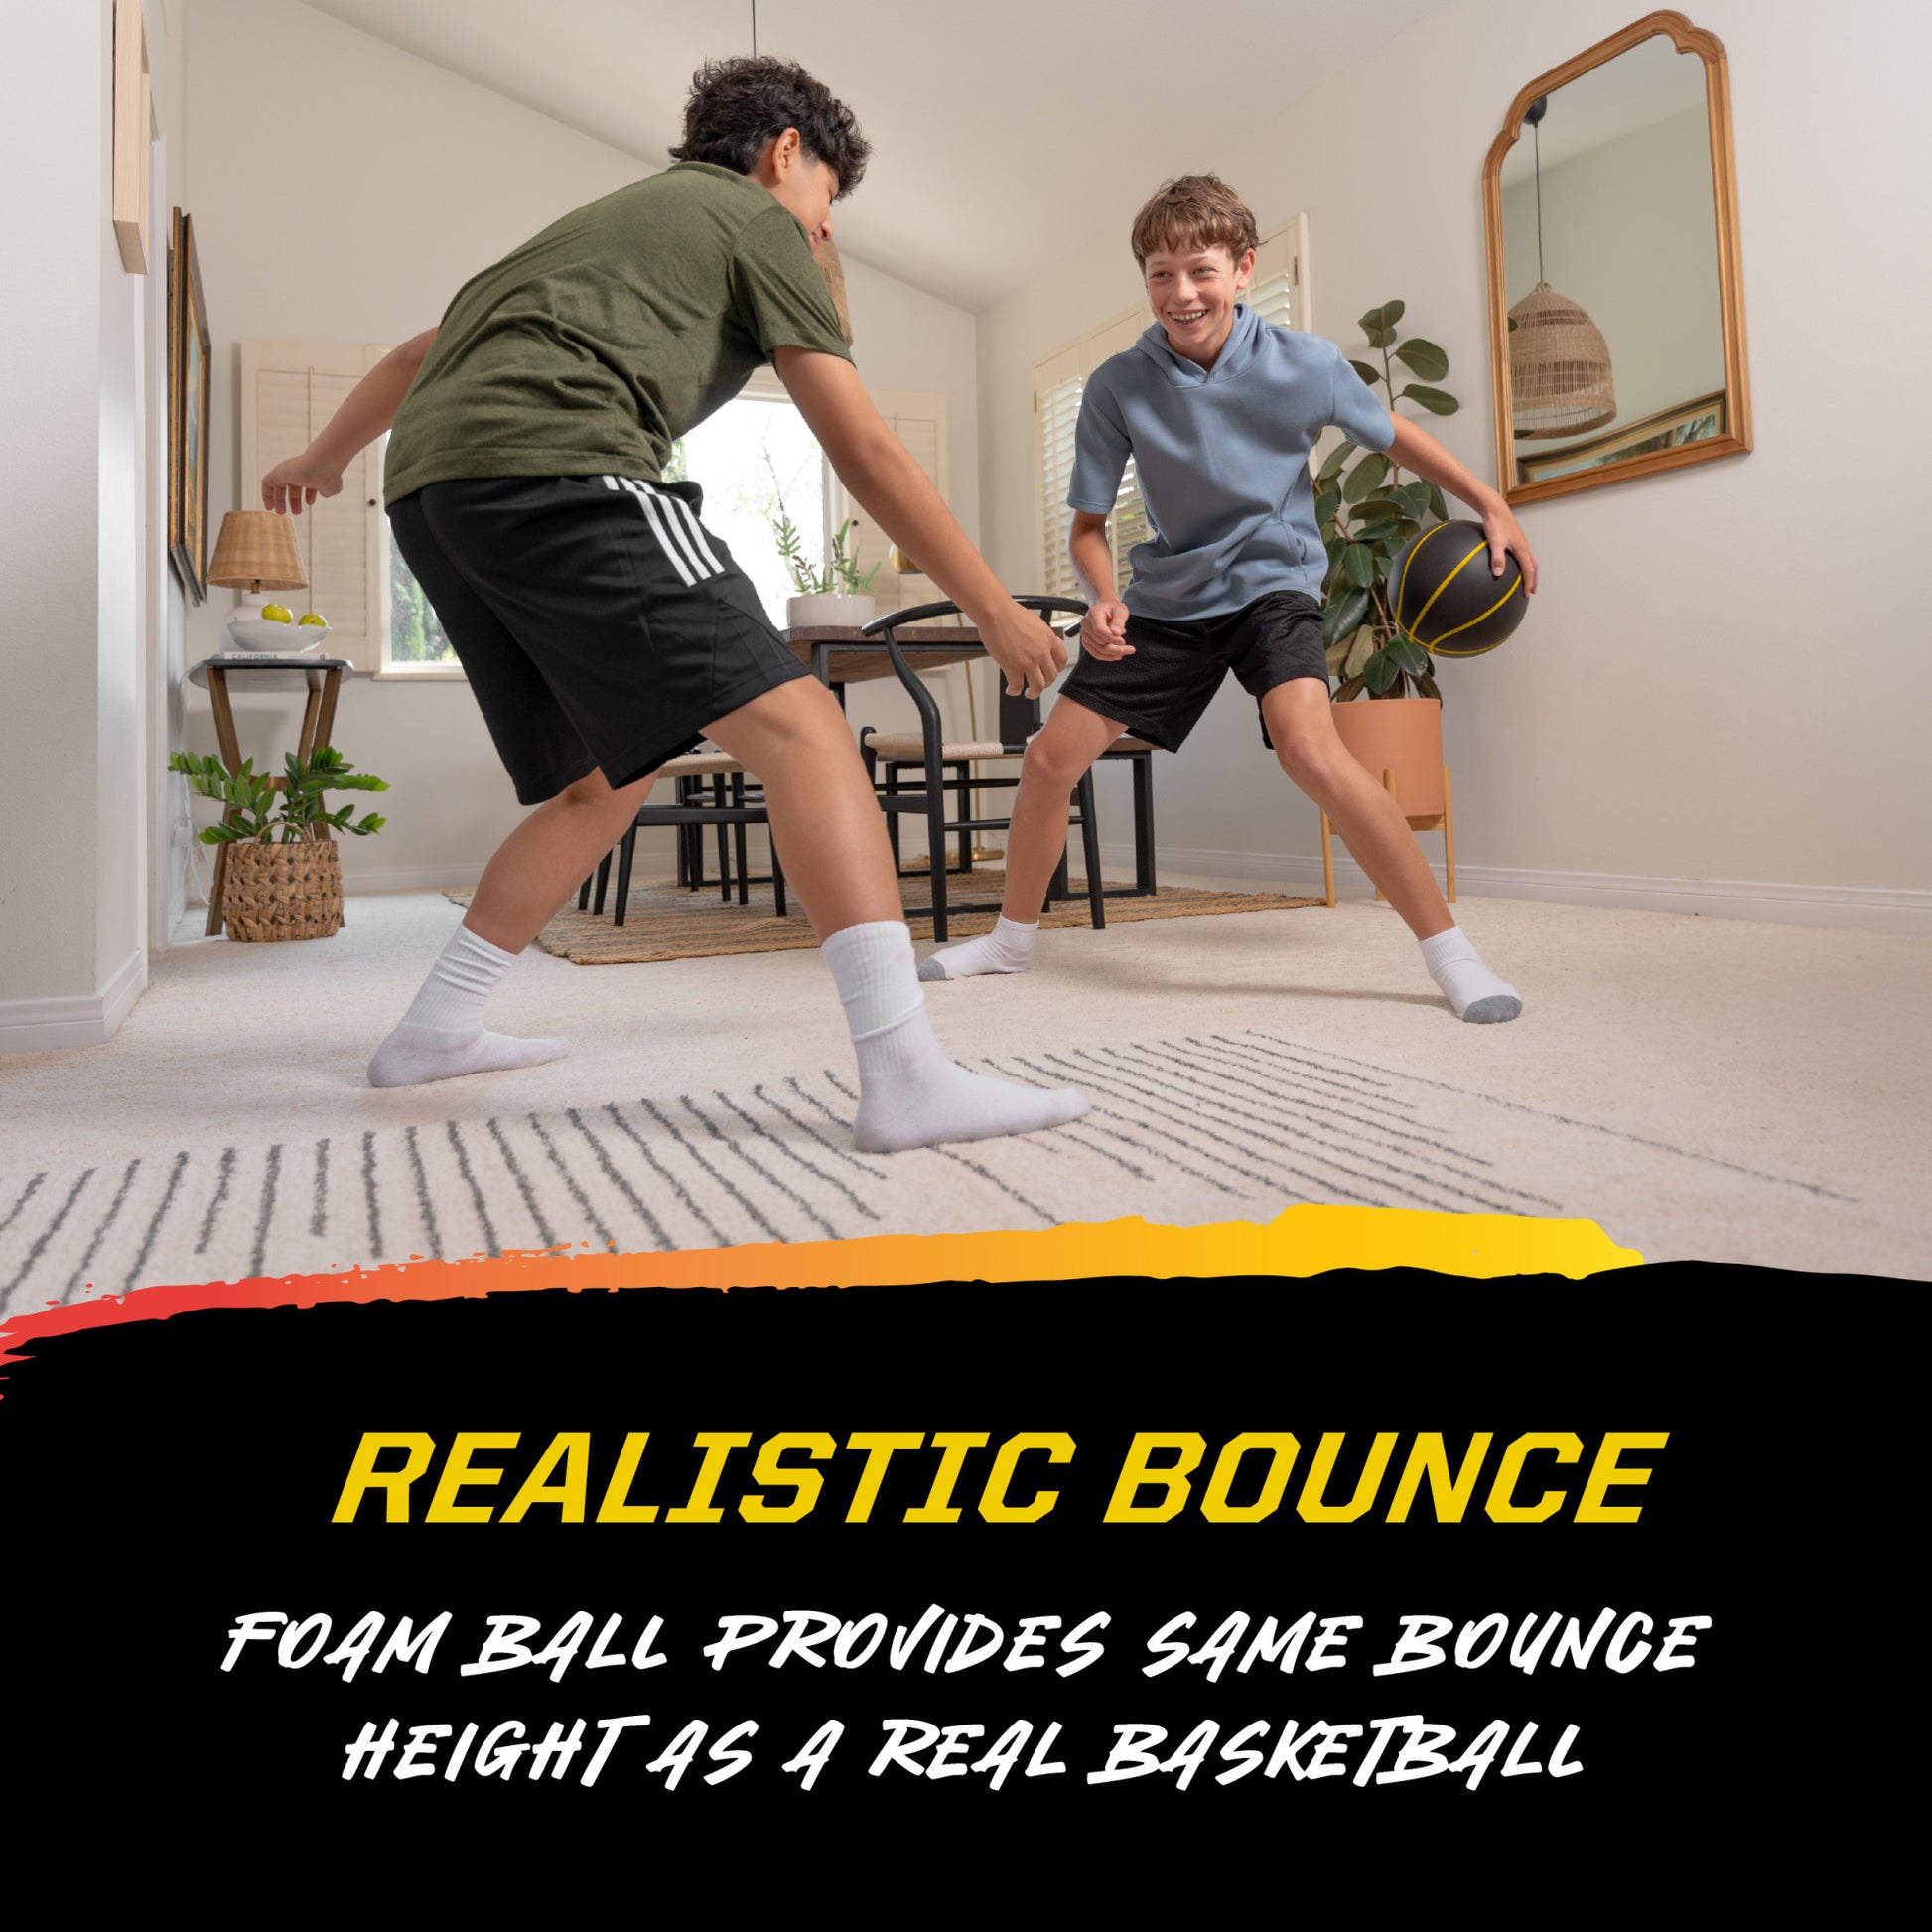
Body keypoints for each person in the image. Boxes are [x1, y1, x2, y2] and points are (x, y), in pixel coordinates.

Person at [260, 55, 1085, 1152]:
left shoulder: (598, 231)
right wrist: (989, 607)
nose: (821, 229)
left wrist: (319, 458)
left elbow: (420, 353)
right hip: (565, 466)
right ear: (785, 154)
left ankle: (432, 1029)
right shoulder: (757, 218)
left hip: (435, 497)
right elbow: (866, 446)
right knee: (805, 730)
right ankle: (905, 1074)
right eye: (826, 202)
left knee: (600, 779)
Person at [919, 175, 1537, 1025]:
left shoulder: (1306, 366)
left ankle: (1452, 953)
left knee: (1311, 752)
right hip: (1167, 602)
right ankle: (1010, 941)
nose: (1182, 293)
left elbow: (1400, 439)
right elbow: (1089, 528)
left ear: (1244, 269)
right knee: (1048, 759)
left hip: (1274, 587)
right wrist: (1101, 598)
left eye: (1201, 270)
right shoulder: (1117, 386)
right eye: (1161, 274)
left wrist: (1491, 504)